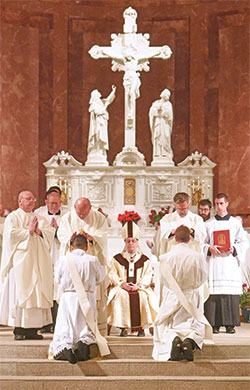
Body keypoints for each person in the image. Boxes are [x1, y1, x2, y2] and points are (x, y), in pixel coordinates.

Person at [0, 191, 55, 340]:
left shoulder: (40, 218)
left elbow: (49, 234)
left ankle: (33, 330)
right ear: (20, 202)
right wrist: (27, 232)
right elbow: (10, 235)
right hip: (21, 263)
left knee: (36, 292)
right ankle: (18, 329)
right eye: (28, 199)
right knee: (22, 292)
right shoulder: (13, 217)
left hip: (38, 262)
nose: (32, 201)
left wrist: (38, 231)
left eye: (33, 199)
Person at [153, 226, 208, 362]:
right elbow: (202, 278)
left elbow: (164, 280)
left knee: (167, 325)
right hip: (191, 296)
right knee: (194, 324)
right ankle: (189, 340)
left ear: (175, 239)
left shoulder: (165, 258)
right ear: (189, 239)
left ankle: (174, 340)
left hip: (173, 296)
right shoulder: (197, 256)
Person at [51, 233, 106, 364]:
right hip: (87, 297)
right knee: (85, 327)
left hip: (68, 297)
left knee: (66, 326)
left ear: (71, 247)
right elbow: (101, 278)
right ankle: (83, 343)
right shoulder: (92, 260)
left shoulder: (64, 260)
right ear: (86, 247)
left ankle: (65, 347)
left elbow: (57, 279)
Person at [57, 197, 109, 335]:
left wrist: (92, 238)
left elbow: (103, 235)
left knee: (95, 299)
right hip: (72, 261)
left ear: (90, 208)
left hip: (91, 257)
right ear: (74, 207)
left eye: (84, 213)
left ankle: (95, 330)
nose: (80, 216)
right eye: (78, 212)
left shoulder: (99, 217)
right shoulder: (67, 218)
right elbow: (61, 234)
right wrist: (71, 239)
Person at [204, 193, 249, 334]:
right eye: (216, 204)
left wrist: (234, 249)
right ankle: (214, 324)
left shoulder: (235, 223)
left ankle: (230, 325)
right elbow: (202, 243)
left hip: (229, 262)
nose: (219, 206)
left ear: (227, 204)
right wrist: (209, 248)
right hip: (215, 263)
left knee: (229, 293)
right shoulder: (208, 224)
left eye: (221, 203)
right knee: (214, 293)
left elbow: (244, 241)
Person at [107, 220, 158, 337]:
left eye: (133, 241)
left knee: (143, 296)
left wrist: (138, 286)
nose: (131, 244)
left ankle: (141, 329)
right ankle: (123, 327)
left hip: (140, 287)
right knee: (121, 295)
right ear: (124, 242)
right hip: (122, 287)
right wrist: (122, 284)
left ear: (137, 242)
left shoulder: (145, 259)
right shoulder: (117, 259)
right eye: (128, 241)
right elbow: (112, 274)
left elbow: (148, 275)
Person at [35, 189, 68, 331]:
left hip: (60, 254)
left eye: (57, 203)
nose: (54, 206)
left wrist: (58, 230)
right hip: (44, 255)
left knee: (59, 288)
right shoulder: (39, 215)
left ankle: (59, 322)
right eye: (51, 203)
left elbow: (69, 235)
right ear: (46, 202)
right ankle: (45, 323)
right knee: (44, 287)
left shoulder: (67, 215)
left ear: (61, 202)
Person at [87, 85, 116, 159]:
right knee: (98, 137)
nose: (99, 97)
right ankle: (96, 151)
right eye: (98, 95)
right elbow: (99, 112)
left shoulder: (100, 103)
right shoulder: (94, 105)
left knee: (101, 137)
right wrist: (105, 106)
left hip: (103, 123)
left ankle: (101, 151)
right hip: (98, 124)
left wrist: (113, 91)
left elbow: (108, 100)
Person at [149, 89, 173, 162]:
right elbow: (152, 112)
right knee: (157, 136)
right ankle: (158, 154)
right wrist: (156, 109)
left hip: (164, 122)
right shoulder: (156, 103)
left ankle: (165, 153)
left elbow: (170, 116)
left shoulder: (168, 104)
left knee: (165, 136)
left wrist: (164, 112)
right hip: (158, 122)